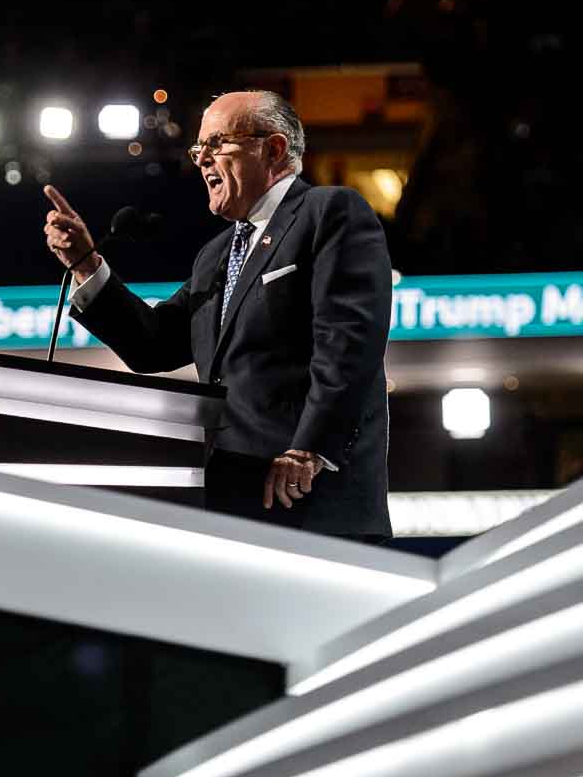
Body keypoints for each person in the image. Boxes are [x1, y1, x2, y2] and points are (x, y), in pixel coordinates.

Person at [43, 90, 392, 541]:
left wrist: (309, 450)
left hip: (311, 500)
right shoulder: (217, 255)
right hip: (231, 502)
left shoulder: (328, 212)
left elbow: (348, 345)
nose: (202, 159)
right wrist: (88, 265)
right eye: (197, 149)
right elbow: (154, 344)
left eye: (217, 143)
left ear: (274, 149)